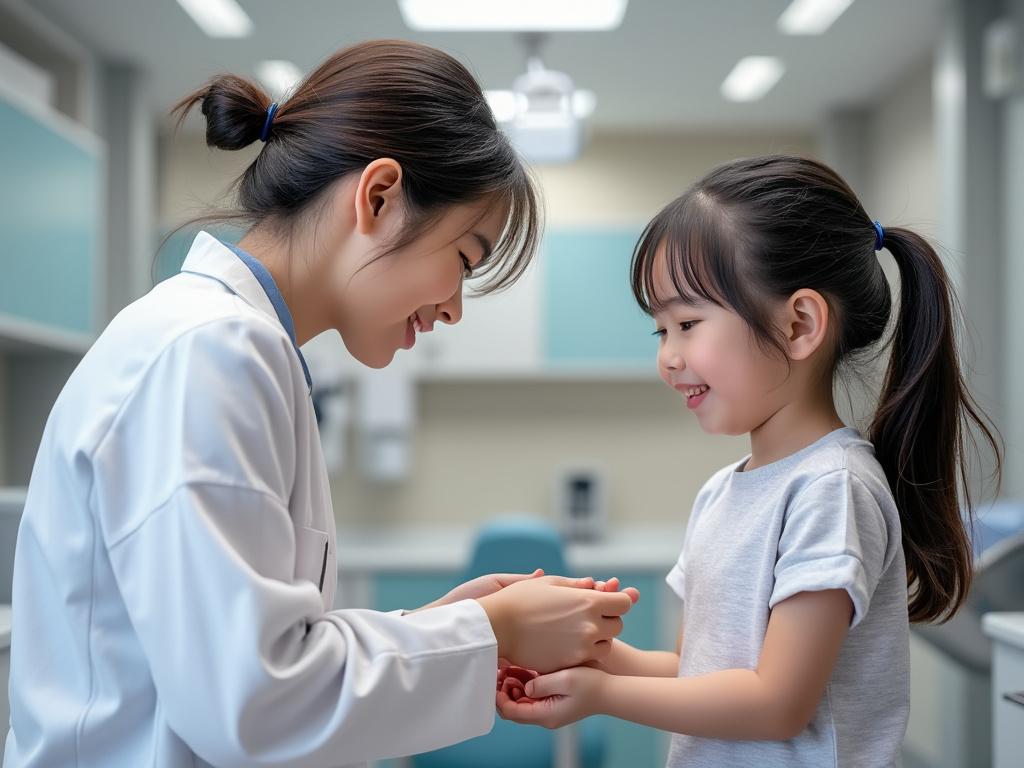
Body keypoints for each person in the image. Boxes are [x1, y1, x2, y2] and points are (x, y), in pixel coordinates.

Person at [4, 40, 638, 768]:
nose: (454, 308)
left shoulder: (239, 348)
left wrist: (452, 624)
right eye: (464, 259)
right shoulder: (209, 351)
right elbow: (251, 705)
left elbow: (259, 661)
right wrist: (493, 630)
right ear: (379, 196)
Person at [497, 155, 1002, 767]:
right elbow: (695, 672)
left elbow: (776, 703)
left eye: (687, 322)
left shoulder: (831, 488)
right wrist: (587, 657)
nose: (668, 356)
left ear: (799, 325)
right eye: (661, 331)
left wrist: (603, 696)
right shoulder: (722, 491)